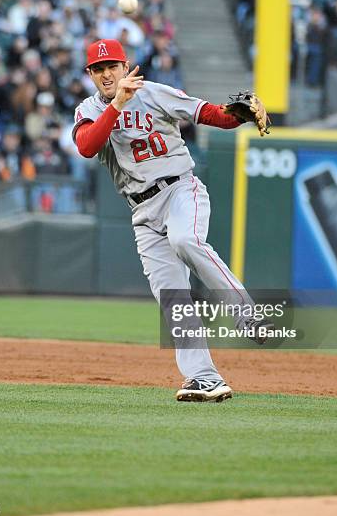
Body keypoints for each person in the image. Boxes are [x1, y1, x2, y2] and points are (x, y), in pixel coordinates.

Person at [72, 39, 274, 403]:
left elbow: (208, 113)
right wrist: (117, 104)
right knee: (172, 296)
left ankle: (248, 314)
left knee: (186, 241)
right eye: (98, 69)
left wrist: (237, 116)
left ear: (124, 66)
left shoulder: (152, 92)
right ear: (90, 75)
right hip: (142, 212)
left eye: (112, 66)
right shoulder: (88, 110)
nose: (106, 74)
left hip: (180, 190)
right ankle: (204, 378)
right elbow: (87, 145)